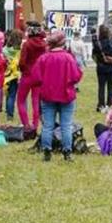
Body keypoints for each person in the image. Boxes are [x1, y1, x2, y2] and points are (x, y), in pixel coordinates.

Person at [36, 30, 83, 161]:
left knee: (48, 125)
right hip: (66, 95)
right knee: (66, 125)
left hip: (48, 95)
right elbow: (76, 76)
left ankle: (47, 151)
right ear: (63, 42)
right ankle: (67, 152)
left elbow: (36, 78)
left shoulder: (44, 58)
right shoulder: (68, 57)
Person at [15, 22, 49, 138]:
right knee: (36, 101)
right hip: (39, 76)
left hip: (27, 75)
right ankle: (35, 125)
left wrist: (23, 70)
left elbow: (22, 62)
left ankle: (26, 125)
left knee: (21, 101)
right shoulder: (44, 44)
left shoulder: (27, 44)